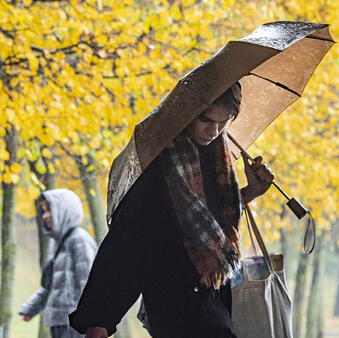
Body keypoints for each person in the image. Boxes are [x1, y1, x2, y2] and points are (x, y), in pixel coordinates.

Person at [69, 82, 275, 338]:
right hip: (174, 300)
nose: (214, 130)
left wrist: (250, 192)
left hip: (215, 295)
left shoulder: (217, 156)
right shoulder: (158, 164)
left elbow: (211, 222)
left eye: (224, 122)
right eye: (206, 120)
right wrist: (100, 318)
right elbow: (127, 242)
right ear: (187, 112)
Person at [19, 189, 98, 338]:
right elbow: (49, 287)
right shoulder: (57, 243)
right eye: (43, 211)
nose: (45, 216)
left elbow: (88, 284)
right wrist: (30, 309)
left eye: (49, 210)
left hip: (74, 324)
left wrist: (92, 322)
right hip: (58, 322)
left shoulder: (79, 240)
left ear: (65, 210)